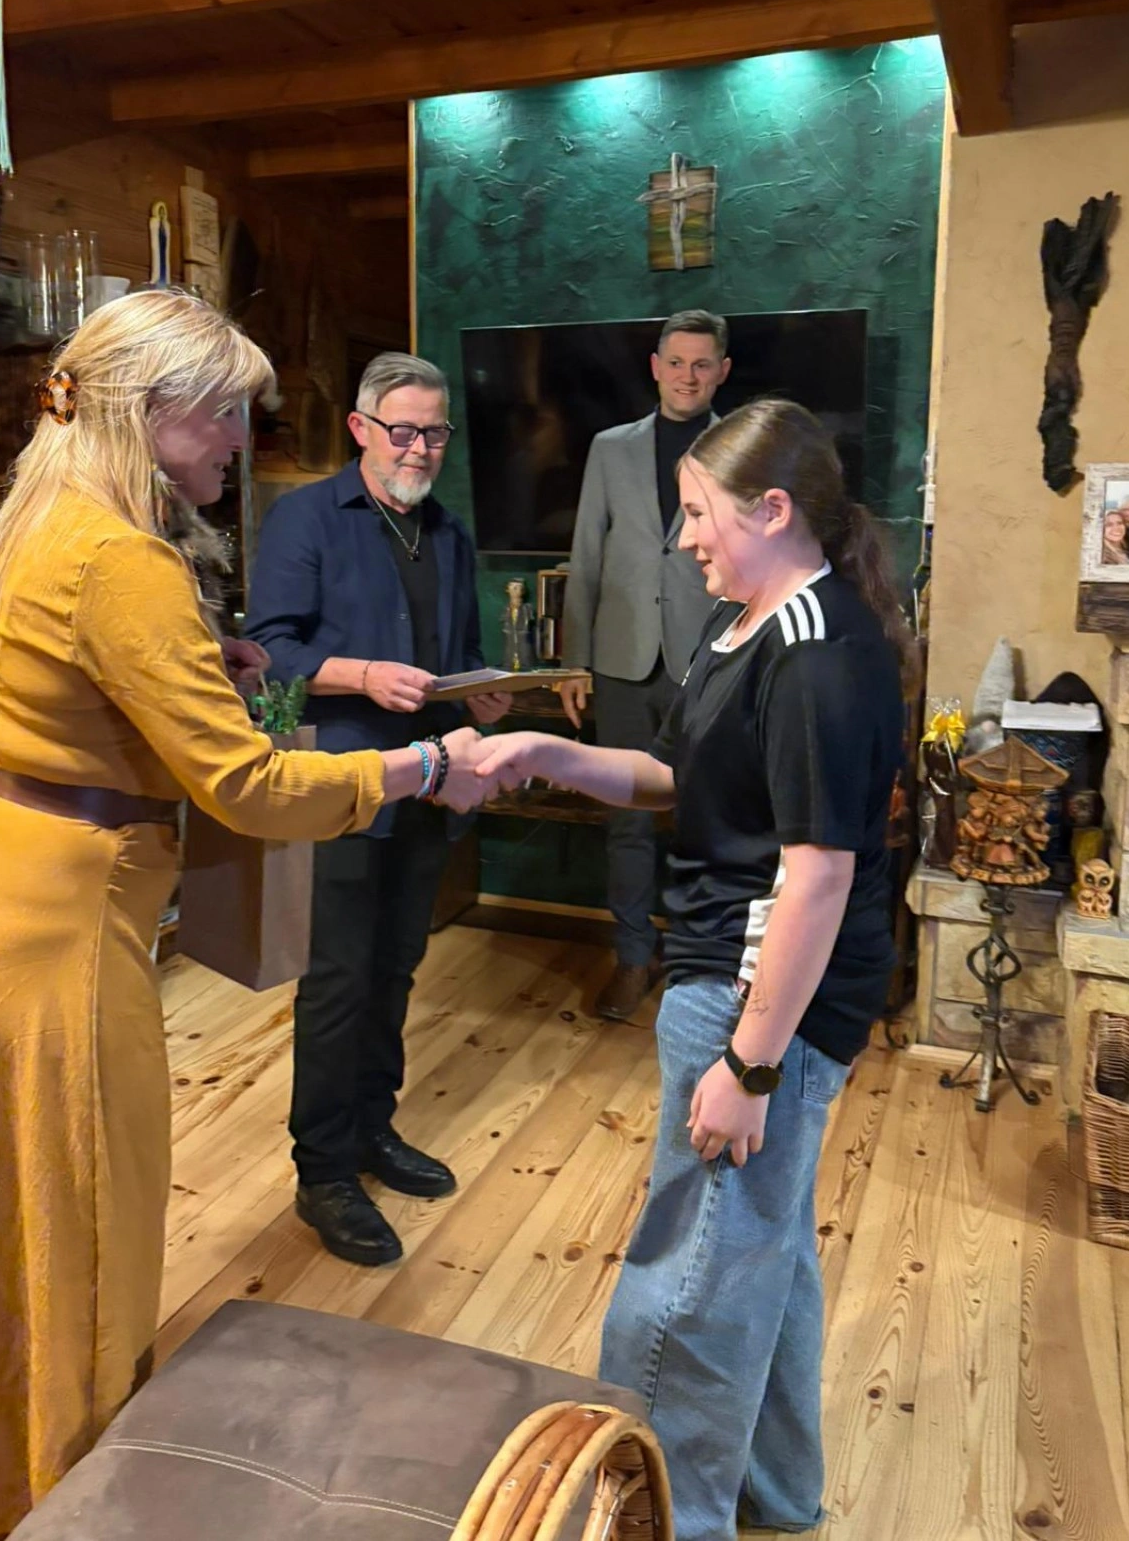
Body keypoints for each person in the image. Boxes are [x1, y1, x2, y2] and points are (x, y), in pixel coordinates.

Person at [0, 292, 490, 1541]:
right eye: (221, 413)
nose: (238, 438)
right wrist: (421, 766)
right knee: (85, 1237)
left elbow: (67, 697)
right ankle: (60, 1494)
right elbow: (251, 787)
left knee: (7, 1224)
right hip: (58, 947)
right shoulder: (124, 560)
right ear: (145, 410)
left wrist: (198, 670)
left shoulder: (43, 514)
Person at [475, 399, 908, 1541]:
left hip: (762, 1002)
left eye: (698, 513)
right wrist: (545, 749)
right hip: (731, 980)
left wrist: (750, 1065)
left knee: (686, 1286)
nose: (681, 538)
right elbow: (682, 779)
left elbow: (815, 878)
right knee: (759, 1251)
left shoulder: (815, 655)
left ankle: (664, 1521)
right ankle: (776, 1495)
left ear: (772, 511)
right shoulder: (746, 622)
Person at [246, 352, 511, 1267]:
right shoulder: (305, 519)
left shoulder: (450, 533)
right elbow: (266, 652)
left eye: (435, 431)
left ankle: (372, 1129)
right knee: (337, 980)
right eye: (403, 430)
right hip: (342, 788)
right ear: (361, 428)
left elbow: (459, 653)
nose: (421, 447)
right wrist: (360, 674)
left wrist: (482, 694)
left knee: (395, 968)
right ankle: (322, 1170)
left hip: (428, 787)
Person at [560, 309, 731, 1019]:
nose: (688, 376)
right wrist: (574, 661)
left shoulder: (740, 447)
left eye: (702, 363)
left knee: (707, 824)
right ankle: (633, 955)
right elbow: (587, 556)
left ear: (722, 371)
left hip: (709, 662)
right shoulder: (610, 449)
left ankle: (698, 964)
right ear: (655, 367)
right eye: (676, 362)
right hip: (622, 662)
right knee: (625, 824)